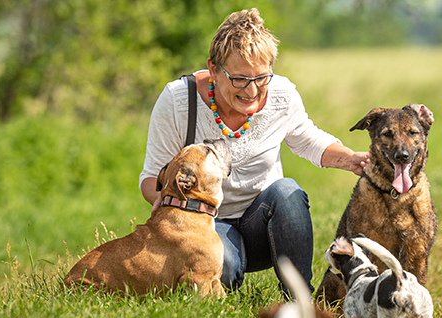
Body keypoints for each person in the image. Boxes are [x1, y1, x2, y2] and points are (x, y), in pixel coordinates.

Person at [139, 8, 368, 294]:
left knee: (287, 191)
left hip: (266, 226)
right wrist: (168, 201)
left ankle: (300, 299)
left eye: (261, 78)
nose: (251, 91)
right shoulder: (177, 100)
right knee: (223, 269)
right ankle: (227, 284)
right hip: (206, 225)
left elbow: (308, 139)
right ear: (213, 69)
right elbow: (151, 178)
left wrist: (351, 159)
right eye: (239, 79)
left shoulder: (281, 94)